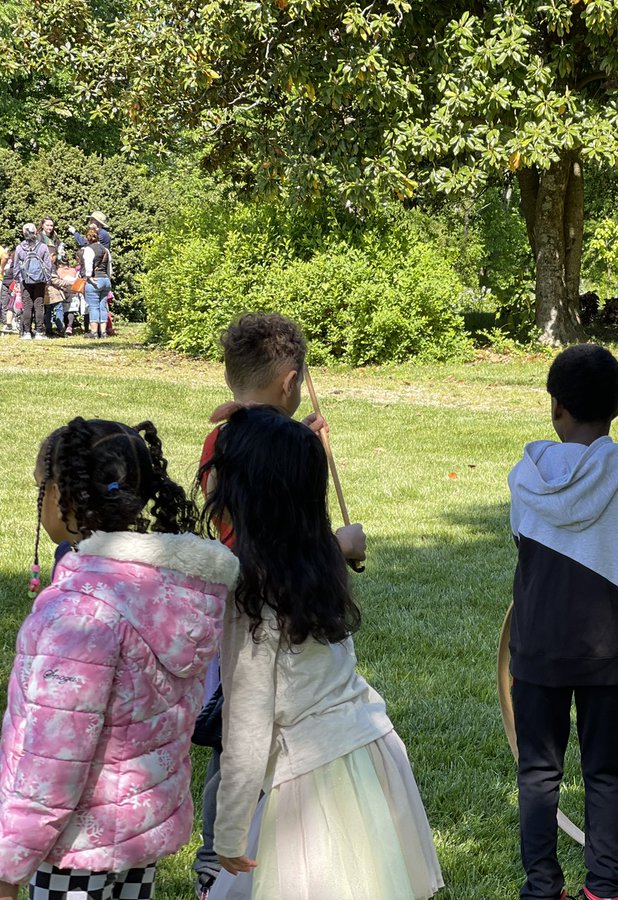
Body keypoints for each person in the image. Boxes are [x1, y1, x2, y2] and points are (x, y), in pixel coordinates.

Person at [201, 406, 442, 900]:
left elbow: (246, 728)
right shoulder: (314, 565)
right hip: (367, 755)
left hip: (313, 784)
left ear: (241, 497)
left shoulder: (250, 600)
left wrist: (227, 832)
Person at [0, 417, 238, 900]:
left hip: (73, 848)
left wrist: (8, 865)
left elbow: (54, 760)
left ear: (62, 494)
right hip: (136, 835)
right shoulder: (173, 592)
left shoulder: (79, 617)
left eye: (40, 487)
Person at [190, 312, 367, 899]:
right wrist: (336, 547)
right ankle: (216, 856)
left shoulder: (243, 439)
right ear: (290, 381)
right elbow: (270, 541)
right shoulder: (246, 443)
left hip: (271, 610)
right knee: (233, 739)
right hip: (262, 606)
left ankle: (226, 854)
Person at [508, 344, 618, 900]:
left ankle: (541, 888)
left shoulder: (524, 479)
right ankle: (604, 889)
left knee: (538, 772)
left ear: (554, 407)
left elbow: (523, 546)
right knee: (605, 769)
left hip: (535, 643)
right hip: (607, 650)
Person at [13, 223, 53, 340]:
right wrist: (48, 279)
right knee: (39, 305)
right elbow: (48, 265)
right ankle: (39, 332)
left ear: (23, 233)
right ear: (36, 232)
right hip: (40, 280)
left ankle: (26, 332)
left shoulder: (20, 248)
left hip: (25, 280)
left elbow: (16, 266)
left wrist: (17, 280)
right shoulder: (43, 247)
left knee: (27, 306)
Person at [79, 225, 113, 339]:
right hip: (105, 280)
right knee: (103, 306)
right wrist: (108, 277)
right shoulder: (105, 250)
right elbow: (109, 267)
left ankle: (94, 332)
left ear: (87, 238)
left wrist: (89, 276)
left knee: (93, 307)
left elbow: (88, 264)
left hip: (95, 280)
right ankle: (103, 332)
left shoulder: (89, 249)